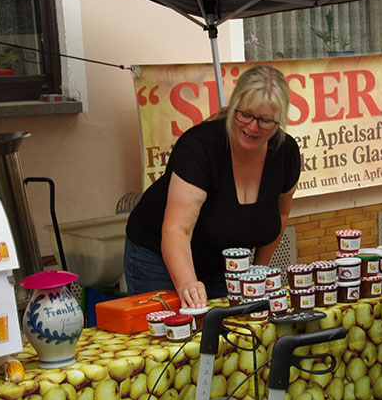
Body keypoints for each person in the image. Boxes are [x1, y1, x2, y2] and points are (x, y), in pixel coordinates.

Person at [124, 65, 300, 308]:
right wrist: (187, 284)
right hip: (158, 257)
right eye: (245, 115)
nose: (252, 127)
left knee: (226, 334)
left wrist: (258, 271)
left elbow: (281, 213)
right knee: (175, 333)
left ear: (279, 121)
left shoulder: (286, 153)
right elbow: (177, 230)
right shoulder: (200, 147)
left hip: (224, 262)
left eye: (265, 120)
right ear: (234, 107)